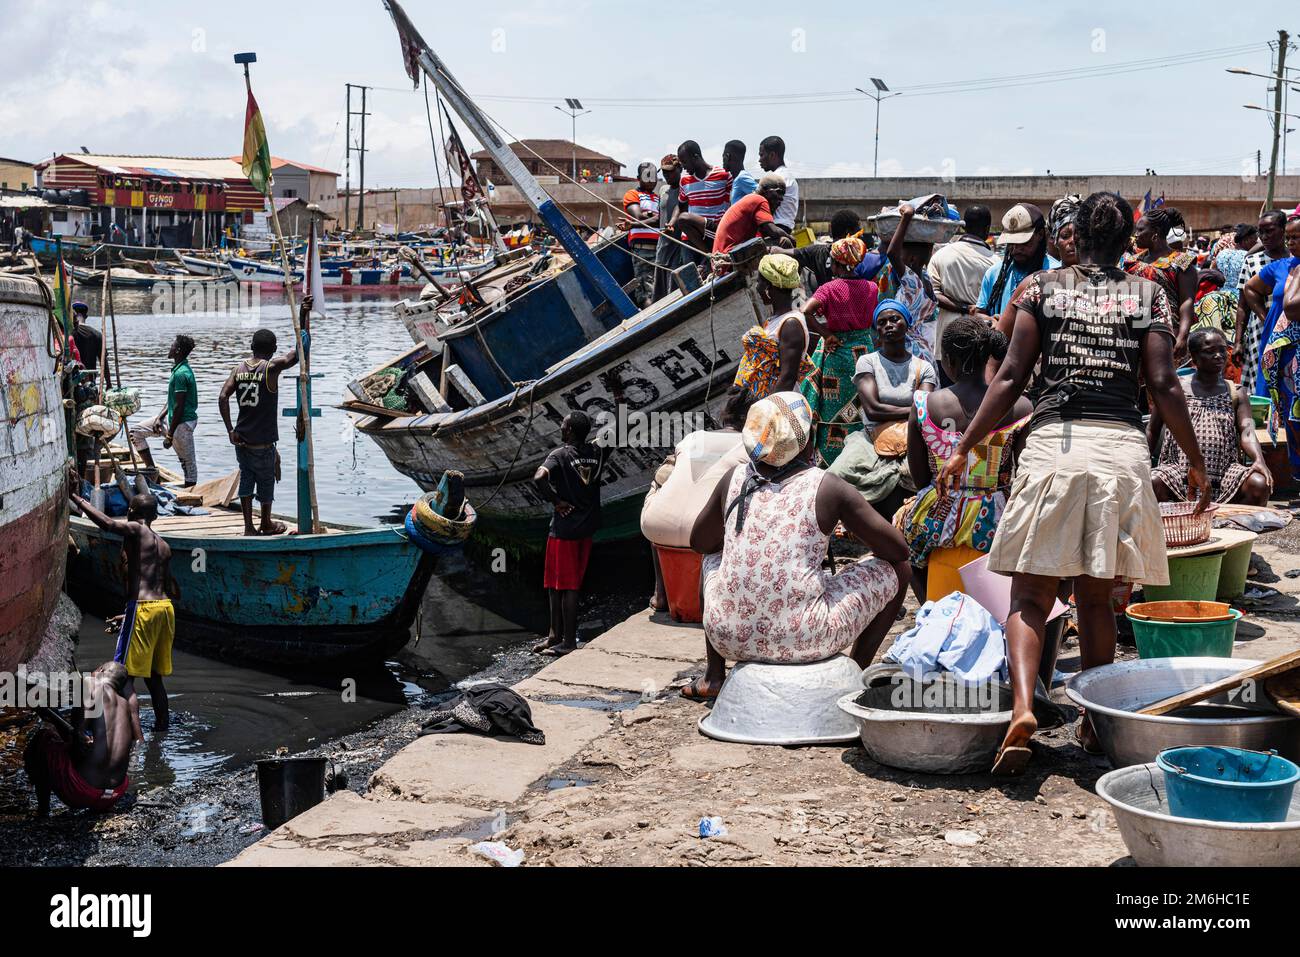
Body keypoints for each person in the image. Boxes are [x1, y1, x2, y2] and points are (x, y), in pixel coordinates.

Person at [937, 190, 1210, 775]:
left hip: (1054, 450)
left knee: (1031, 596)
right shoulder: (1150, 295)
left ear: (1073, 235)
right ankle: (1092, 717)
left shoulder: (1041, 289)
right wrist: (1194, 461)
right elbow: (1163, 383)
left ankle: (1021, 710)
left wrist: (965, 444)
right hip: (1118, 453)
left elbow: (1009, 377)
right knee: (1095, 595)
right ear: (1130, 240)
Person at [682, 391, 911, 700]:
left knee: (714, 555)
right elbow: (898, 551)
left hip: (728, 636)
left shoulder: (734, 478)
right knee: (900, 570)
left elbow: (700, 543)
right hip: (807, 637)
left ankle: (713, 675)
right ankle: (853, 679)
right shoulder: (828, 487)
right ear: (805, 436)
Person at [898, 316, 1031, 601]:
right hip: (996, 520)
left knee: (902, 537)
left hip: (938, 515)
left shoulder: (923, 405)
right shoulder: (1020, 407)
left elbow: (921, 478)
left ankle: (928, 611)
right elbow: (1024, 473)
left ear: (948, 361)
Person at [70, 473, 178, 734]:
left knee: (123, 676)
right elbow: (173, 589)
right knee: (154, 680)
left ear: (131, 511)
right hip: (164, 610)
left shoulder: (136, 530)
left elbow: (107, 524)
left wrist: (75, 498)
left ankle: (132, 736)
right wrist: (127, 615)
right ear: (154, 516)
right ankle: (162, 730)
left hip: (142, 608)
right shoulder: (163, 545)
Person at [827, 300, 939, 509]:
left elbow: (924, 412)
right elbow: (873, 409)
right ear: (876, 330)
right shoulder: (867, 362)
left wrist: (916, 411)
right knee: (835, 475)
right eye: (882, 322)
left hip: (913, 437)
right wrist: (914, 410)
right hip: (872, 436)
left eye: (894, 319)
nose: (888, 324)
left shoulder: (923, 367)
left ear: (906, 324)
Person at [1149, 328, 1271, 506]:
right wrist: (1141, 464)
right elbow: (1152, 429)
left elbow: (1247, 430)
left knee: (1260, 484)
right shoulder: (1175, 390)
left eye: (1222, 349)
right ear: (1194, 357)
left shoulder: (1236, 392)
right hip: (1178, 472)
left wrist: (1259, 459)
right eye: (1209, 351)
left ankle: (1233, 526)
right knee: (1151, 482)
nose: (1219, 355)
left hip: (1225, 473)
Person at [218, 299, 306, 537]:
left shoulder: (238, 369)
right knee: (265, 482)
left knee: (246, 480)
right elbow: (297, 356)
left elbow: (223, 397)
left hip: (242, 440)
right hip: (262, 443)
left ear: (251, 346)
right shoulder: (270, 368)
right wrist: (303, 317)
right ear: (273, 348)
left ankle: (249, 527)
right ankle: (265, 523)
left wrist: (230, 430)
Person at [798, 237, 885, 466]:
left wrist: (826, 335)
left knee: (832, 411)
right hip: (865, 352)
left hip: (837, 355)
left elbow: (805, 311)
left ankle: (831, 459)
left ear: (837, 264)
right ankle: (862, 459)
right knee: (863, 408)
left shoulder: (829, 289)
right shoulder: (871, 288)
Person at [532, 411, 609, 657]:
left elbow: (539, 477)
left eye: (564, 426)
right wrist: (618, 399)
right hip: (586, 528)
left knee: (567, 586)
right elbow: (619, 432)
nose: (561, 429)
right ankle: (554, 634)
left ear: (570, 431)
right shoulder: (597, 452)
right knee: (554, 583)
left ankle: (567, 642)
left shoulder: (560, 455)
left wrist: (556, 501)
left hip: (564, 531)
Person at [24, 662, 140, 816]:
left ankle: (42, 811)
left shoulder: (90, 683)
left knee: (43, 738)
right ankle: (100, 808)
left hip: (83, 791)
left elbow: (75, 739)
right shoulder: (124, 704)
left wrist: (49, 713)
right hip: (114, 794)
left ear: (101, 670)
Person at [1248, 218, 1300, 462]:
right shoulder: (1282, 267)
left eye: (1296, 237)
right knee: (1284, 412)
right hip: (1281, 350)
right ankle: (1288, 474)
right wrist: (1265, 316)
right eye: (1289, 238)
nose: (1291, 242)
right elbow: (1250, 288)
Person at [733, 253, 813, 400]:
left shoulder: (791, 324)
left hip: (780, 406)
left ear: (768, 287)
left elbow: (787, 378)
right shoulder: (775, 319)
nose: (757, 287)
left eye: (759, 282)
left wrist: (767, 410)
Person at [927, 204, 996, 370]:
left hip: (944, 343)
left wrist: (964, 308)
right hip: (980, 342)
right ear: (987, 229)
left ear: (963, 226)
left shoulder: (941, 256)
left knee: (946, 392)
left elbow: (932, 294)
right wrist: (971, 309)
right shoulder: (996, 263)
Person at [1123, 206, 1198, 356]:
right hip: (1134, 331)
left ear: (1155, 234)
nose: (1136, 235)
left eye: (1140, 230)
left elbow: (1187, 302)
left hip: (1167, 332)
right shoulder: (1132, 261)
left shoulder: (1182, 262)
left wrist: (1182, 337)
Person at [129, 334, 199, 487]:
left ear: (178, 350)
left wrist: (169, 435)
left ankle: (192, 497)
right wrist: (159, 418)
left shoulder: (182, 374)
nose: (170, 348)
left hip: (181, 425)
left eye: (173, 346)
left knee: (188, 465)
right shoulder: (178, 370)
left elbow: (179, 407)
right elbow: (172, 401)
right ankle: (152, 472)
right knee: (135, 432)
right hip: (172, 421)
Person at [1235, 211, 1291, 391]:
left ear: (1284, 230)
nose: (1264, 236)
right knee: (1264, 382)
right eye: (1261, 232)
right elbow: (1243, 306)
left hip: (1293, 330)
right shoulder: (1252, 261)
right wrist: (1238, 342)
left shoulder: (1294, 260)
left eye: (1270, 231)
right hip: (1261, 330)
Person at [976, 203, 1059, 321]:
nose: (1016, 249)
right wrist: (990, 320)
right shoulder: (994, 273)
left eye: (1024, 242)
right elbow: (978, 313)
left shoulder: (1057, 273)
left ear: (1040, 234)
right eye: (1011, 243)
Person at [671, 140, 732, 253]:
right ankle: (709, 255)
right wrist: (671, 222)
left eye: (684, 162)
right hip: (689, 238)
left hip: (713, 234)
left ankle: (709, 255)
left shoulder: (723, 175)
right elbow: (680, 206)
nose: (683, 167)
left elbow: (731, 205)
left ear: (695, 157)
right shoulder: (685, 180)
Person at [711, 174, 791, 256]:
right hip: (730, 256)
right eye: (779, 192)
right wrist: (791, 238)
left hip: (725, 255)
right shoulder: (759, 200)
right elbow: (773, 231)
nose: (781, 198)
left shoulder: (751, 199)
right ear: (765, 189)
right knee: (784, 242)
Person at [788, 209, 862, 293]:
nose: (861, 236)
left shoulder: (817, 252)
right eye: (858, 232)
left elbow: (791, 253)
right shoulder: (861, 258)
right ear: (848, 232)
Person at [622, 161, 661, 308]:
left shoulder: (658, 197)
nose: (651, 180)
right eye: (647, 176)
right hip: (642, 250)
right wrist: (656, 218)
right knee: (645, 290)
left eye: (653, 176)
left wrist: (651, 216)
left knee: (659, 287)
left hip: (660, 248)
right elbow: (637, 216)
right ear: (639, 178)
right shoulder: (632, 194)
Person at [652, 154, 685, 302]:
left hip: (677, 249)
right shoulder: (662, 190)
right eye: (664, 172)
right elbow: (659, 218)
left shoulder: (685, 189)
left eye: (670, 171)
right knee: (658, 295)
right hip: (662, 249)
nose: (667, 175)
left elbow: (679, 208)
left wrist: (672, 223)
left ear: (679, 168)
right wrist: (633, 224)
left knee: (673, 295)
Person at [757, 135, 799, 231]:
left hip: (775, 230)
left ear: (772, 155)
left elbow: (762, 208)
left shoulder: (775, 179)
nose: (759, 160)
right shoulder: (790, 178)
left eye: (761, 155)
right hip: (786, 229)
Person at [70, 302, 111, 389]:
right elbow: (104, 362)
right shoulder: (97, 335)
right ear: (86, 316)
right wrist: (109, 384)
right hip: (90, 383)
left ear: (73, 315)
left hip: (70, 382)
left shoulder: (68, 333)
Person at [723, 140, 758, 205]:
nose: (722, 161)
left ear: (728, 156)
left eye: (723, 156)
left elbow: (763, 195)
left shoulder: (742, 178)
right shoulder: (737, 178)